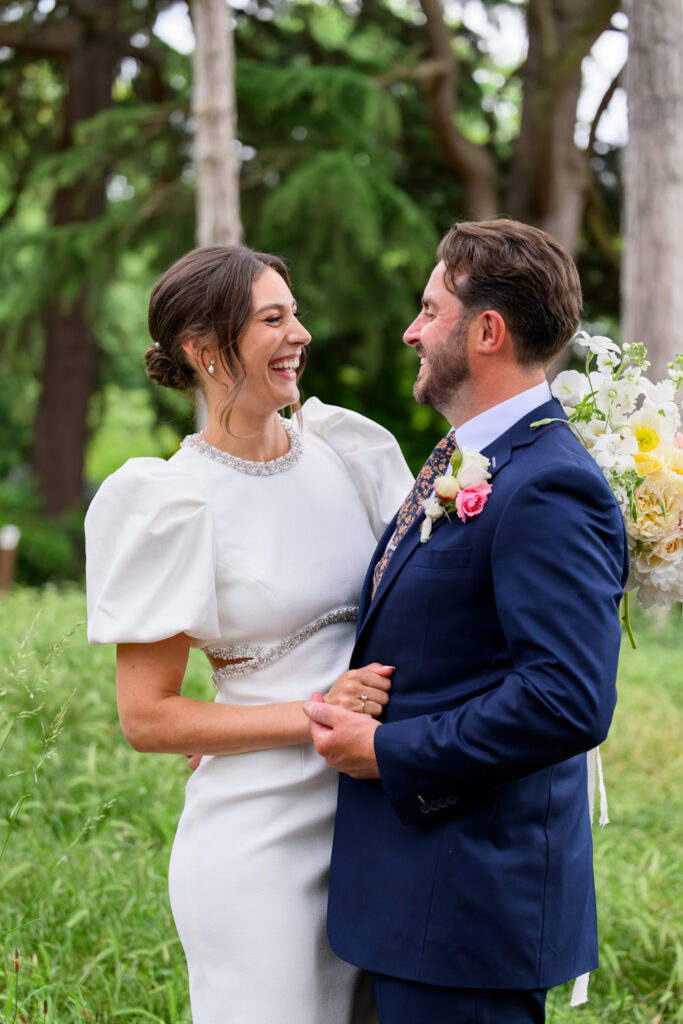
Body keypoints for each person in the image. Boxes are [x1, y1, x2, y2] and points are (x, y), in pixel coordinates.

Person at [304, 219, 630, 1023]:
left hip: (468, 915)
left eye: (428, 309)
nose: (412, 331)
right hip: (412, 906)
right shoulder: (469, 458)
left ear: (487, 330)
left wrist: (385, 750)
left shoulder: (550, 484)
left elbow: (566, 699)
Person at [84, 244, 413, 1024]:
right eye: (272, 319)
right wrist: (312, 711)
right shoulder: (173, 500)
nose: (299, 333)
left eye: (293, 312)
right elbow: (148, 716)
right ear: (205, 351)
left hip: (375, 820)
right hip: (258, 840)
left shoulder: (346, 451)